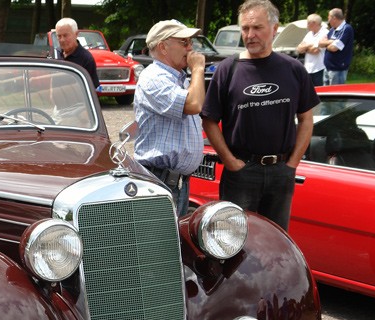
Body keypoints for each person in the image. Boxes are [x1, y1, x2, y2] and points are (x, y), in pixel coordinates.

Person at [200, 0, 319, 231]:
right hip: (242, 171)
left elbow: (306, 118)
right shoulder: (228, 69)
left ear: (275, 29)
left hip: (281, 171)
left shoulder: (293, 69)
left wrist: (292, 163)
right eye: (245, 28)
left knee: (276, 242)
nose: (250, 34)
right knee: (234, 241)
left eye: (257, 28)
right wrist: (230, 162)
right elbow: (209, 120)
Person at [133, 20, 206, 216]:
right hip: (160, 181)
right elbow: (194, 104)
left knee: (174, 244)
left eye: (190, 42)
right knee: (158, 245)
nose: (190, 48)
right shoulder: (153, 78)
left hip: (175, 182)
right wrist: (198, 69)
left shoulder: (177, 78)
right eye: (184, 42)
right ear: (163, 47)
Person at [55, 17, 100, 88]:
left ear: (76, 34)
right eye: (59, 36)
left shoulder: (86, 59)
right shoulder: (55, 54)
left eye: (65, 35)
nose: (62, 40)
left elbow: (93, 89)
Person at [319, 8, 355, 85]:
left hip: (337, 69)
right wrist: (331, 42)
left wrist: (326, 44)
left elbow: (334, 48)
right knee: (326, 95)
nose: (328, 21)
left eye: (329, 18)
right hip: (327, 68)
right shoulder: (332, 30)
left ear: (334, 18)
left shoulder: (346, 29)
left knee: (335, 95)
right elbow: (320, 43)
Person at [296, 13, 328, 86]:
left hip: (319, 68)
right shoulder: (309, 34)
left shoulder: (324, 33)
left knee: (320, 92)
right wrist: (310, 45)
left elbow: (315, 51)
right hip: (308, 68)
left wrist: (305, 48)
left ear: (314, 23)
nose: (307, 25)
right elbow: (299, 49)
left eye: (308, 23)